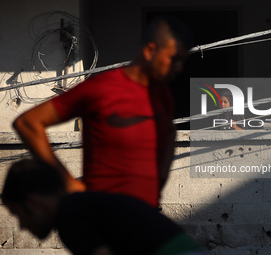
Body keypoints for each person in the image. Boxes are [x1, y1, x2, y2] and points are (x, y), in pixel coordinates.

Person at [12, 16, 193, 207]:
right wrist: (67, 183)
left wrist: (157, 184)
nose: (179, 68)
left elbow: (169, 136)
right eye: (175, 59)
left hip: (147, 217)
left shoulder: (163, 96)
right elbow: (28, 123)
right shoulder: (101, 88)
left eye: (183, 60)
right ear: (150, 50)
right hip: (102, 216)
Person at [2, 158, 205, 255]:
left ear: (32, 202)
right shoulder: (83, 205)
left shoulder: (69, 217)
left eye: (17, 214)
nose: (21, 226)